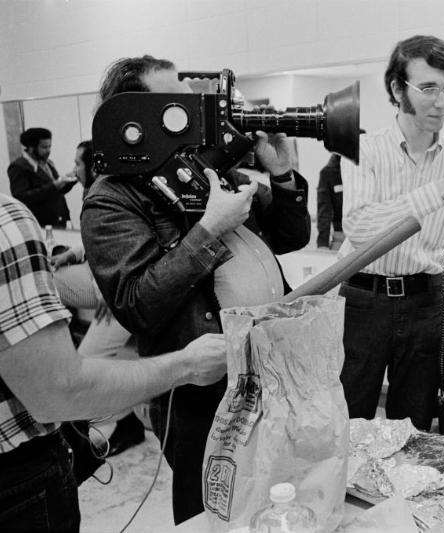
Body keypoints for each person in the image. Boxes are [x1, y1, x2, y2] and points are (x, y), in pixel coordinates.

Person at [81, 55, 311, 524]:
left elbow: (292, 235)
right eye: (177, 105)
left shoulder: (213, 172)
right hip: (203, 395)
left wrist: (283, 174)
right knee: (210, 512)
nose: (194, 115)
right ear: (137, 118)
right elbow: (136, 304)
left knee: (276, 499)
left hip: (271, 374)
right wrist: (208, 230)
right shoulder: (111, 199)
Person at [0, 193, 226, 532]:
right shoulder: (7, 221)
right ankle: (123, 421)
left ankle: (123, 422)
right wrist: (188, 365)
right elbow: (62, 390)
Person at [338, 35, 444, 431]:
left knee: (412, 430)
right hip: (362, 303)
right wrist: (439, 190)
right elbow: (360, 227)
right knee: (347, 422)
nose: (442, 103)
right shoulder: (363, 149)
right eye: (428, 88)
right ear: (398, 89)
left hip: (426, 304)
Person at [51, 140, 145, 458]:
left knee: (87, 364)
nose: (74, 169)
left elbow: (125, 244)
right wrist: (73, 253)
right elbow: (97, 240)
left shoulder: (111, 193)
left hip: (122, 294)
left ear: (92, 165)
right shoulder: (98, 193)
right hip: (112, 288)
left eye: (78, 163)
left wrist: (108, 286)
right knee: (52, 279)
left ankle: (124, 423)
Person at [7, 127, 77, 228]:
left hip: (60, 220)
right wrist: (54, 185)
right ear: (31, 148)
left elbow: (57, 192)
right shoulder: (19, 166)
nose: (48, 151)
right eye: (44, 147)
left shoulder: (48, 163)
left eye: (49, 146)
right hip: (40, 225)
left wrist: (71, 179)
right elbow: (21, 197)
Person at [316, 153, 344, 250]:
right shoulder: (327, 173)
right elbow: (324, 211)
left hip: (371, 236)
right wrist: (323, 244)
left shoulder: (368, 166)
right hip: (341, 237)